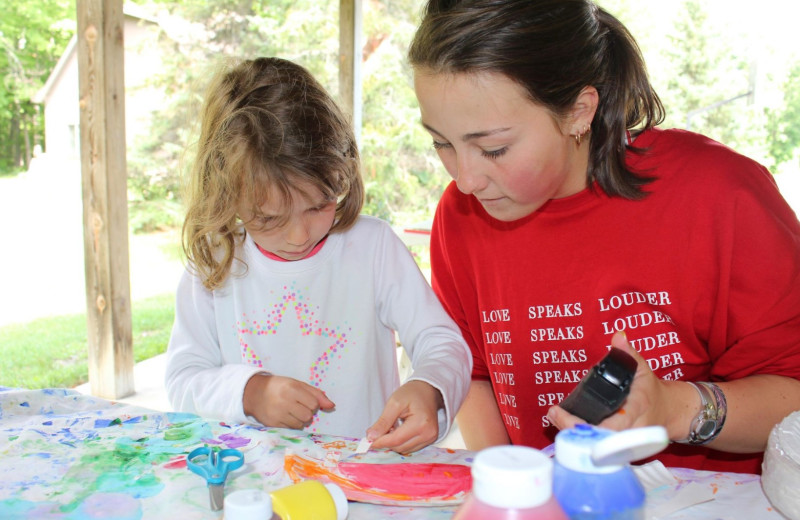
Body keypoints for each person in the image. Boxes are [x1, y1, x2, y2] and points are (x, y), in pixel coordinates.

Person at [408, 0, 800, 473]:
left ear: (578, 111)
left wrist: (676, 409)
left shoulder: (720, 196)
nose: (466, 179)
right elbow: (474, 376)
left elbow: (792, 392)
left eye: (494, 148)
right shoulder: (461, 216)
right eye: (442, 143)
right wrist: (510, 481)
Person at [164, 57, 471, 454]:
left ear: (340, 175)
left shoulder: (372, 248)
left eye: (318, 205)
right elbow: (182, 381)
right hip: (254, 480)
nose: (298, 235)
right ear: (226, 194)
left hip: (365, 475)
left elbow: (441, 341)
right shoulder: (214, 263)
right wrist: (250, 392)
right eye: (268, 217)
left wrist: (429, 387)